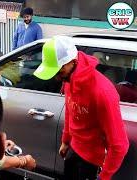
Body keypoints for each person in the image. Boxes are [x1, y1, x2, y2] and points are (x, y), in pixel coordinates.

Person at [33, 36, 129, 180]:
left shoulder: (102, 93)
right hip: (74, 149)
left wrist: (104, 177)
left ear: (72, 62)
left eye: (59, 72)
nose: (57, 78)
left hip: (92, 161)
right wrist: (65, 141)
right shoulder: (69, 79)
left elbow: (119, 145)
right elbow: (71, 112)